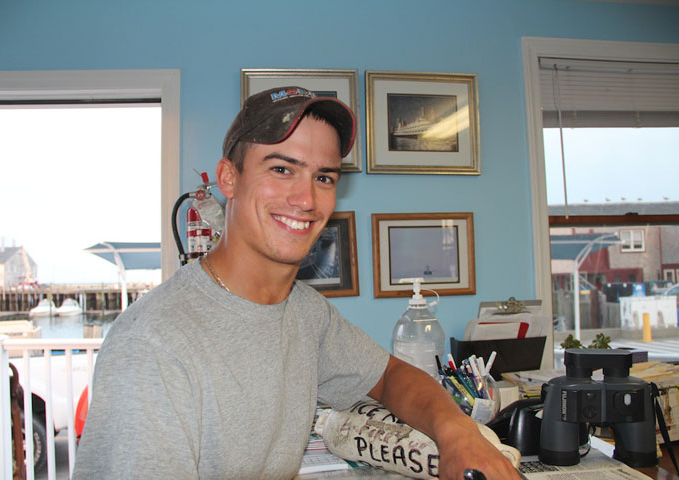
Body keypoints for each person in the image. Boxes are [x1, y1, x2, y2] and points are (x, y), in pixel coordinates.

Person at [73, 86, 519, 479]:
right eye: (282, 169)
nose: (306, 199)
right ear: (229, 178)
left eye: (323, 177)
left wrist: (460, 434)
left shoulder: (303, 310)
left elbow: (389, 377)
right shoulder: (152, 343)